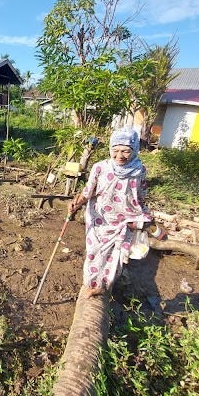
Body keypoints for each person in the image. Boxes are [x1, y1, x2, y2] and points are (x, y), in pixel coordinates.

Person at [67, 127, 153, 298]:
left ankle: (104, 286)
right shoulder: (100, 168)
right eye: (115, 150)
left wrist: (141, 216)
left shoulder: (139, 170)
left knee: (116, 257)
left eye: (126, 151)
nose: (120, 155)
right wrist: (75, 204)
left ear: (134, 149)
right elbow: (88, 191)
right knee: (94, 252)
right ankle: (91, 284)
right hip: (100, 220)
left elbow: (141, 194)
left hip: (124, 221)